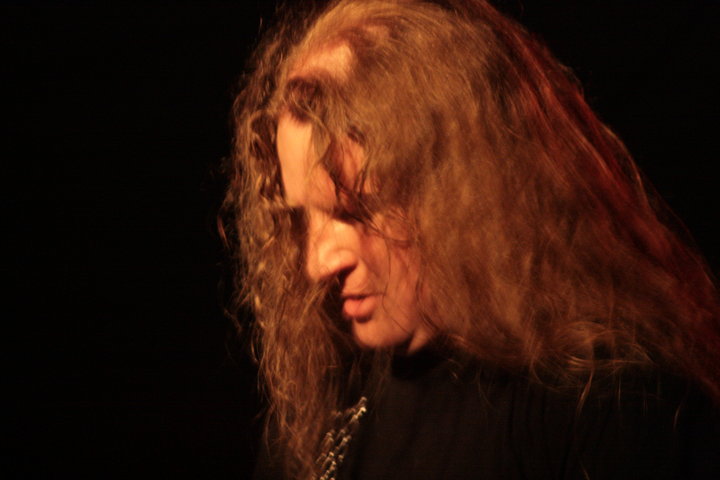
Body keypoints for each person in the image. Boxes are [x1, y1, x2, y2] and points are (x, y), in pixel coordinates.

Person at [221, 1, 720, 478]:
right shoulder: (326, 406)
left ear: (458, 188)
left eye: (355, 210)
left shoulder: (614, 406)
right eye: (303, 217)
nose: (317, 262)